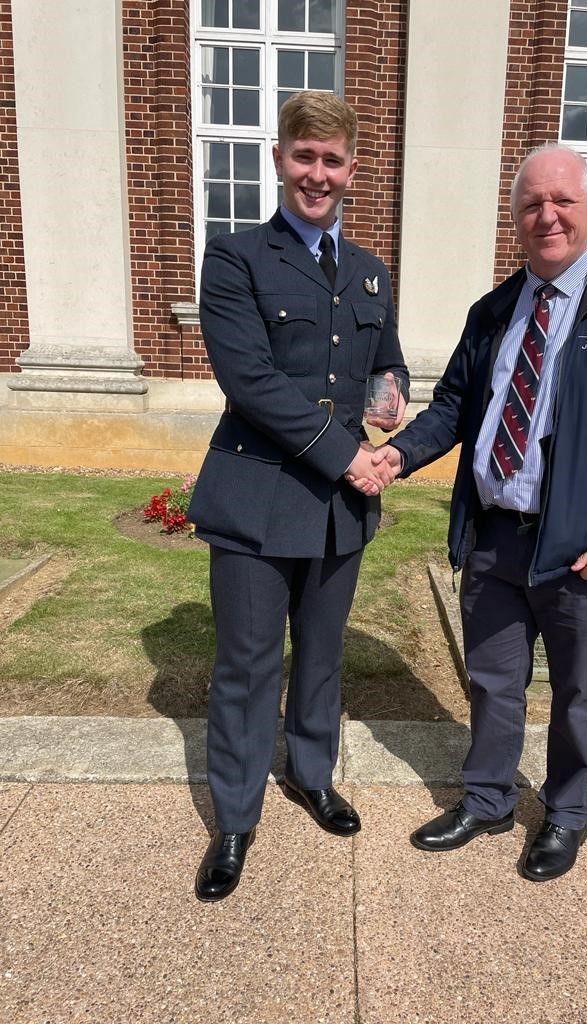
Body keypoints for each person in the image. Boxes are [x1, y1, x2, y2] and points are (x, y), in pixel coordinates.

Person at [368, 143, 587, 881]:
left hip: (583, 552)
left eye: (562, 202)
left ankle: (567, 812)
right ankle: (486, 800)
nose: (547, 215)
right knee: (491, 682)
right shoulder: (494, 310)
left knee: (580, 693)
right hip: (494, 538)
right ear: (515, 219)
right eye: (531, 205)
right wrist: (400, 455)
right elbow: (454, 405)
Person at [189, 91, 408, 902]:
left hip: (336, 514)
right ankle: (237, 819)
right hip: (258, 497)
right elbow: (249, 380)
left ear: (353, 169)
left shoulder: (370, 271)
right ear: (279, 159)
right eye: (304, 156)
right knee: (247, 667)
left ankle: (311, 775)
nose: (319, 174)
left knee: (320, 658)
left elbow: (387, 360)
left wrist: (391, 396)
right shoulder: (237, 257)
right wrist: (350, 456)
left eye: (333, 160)